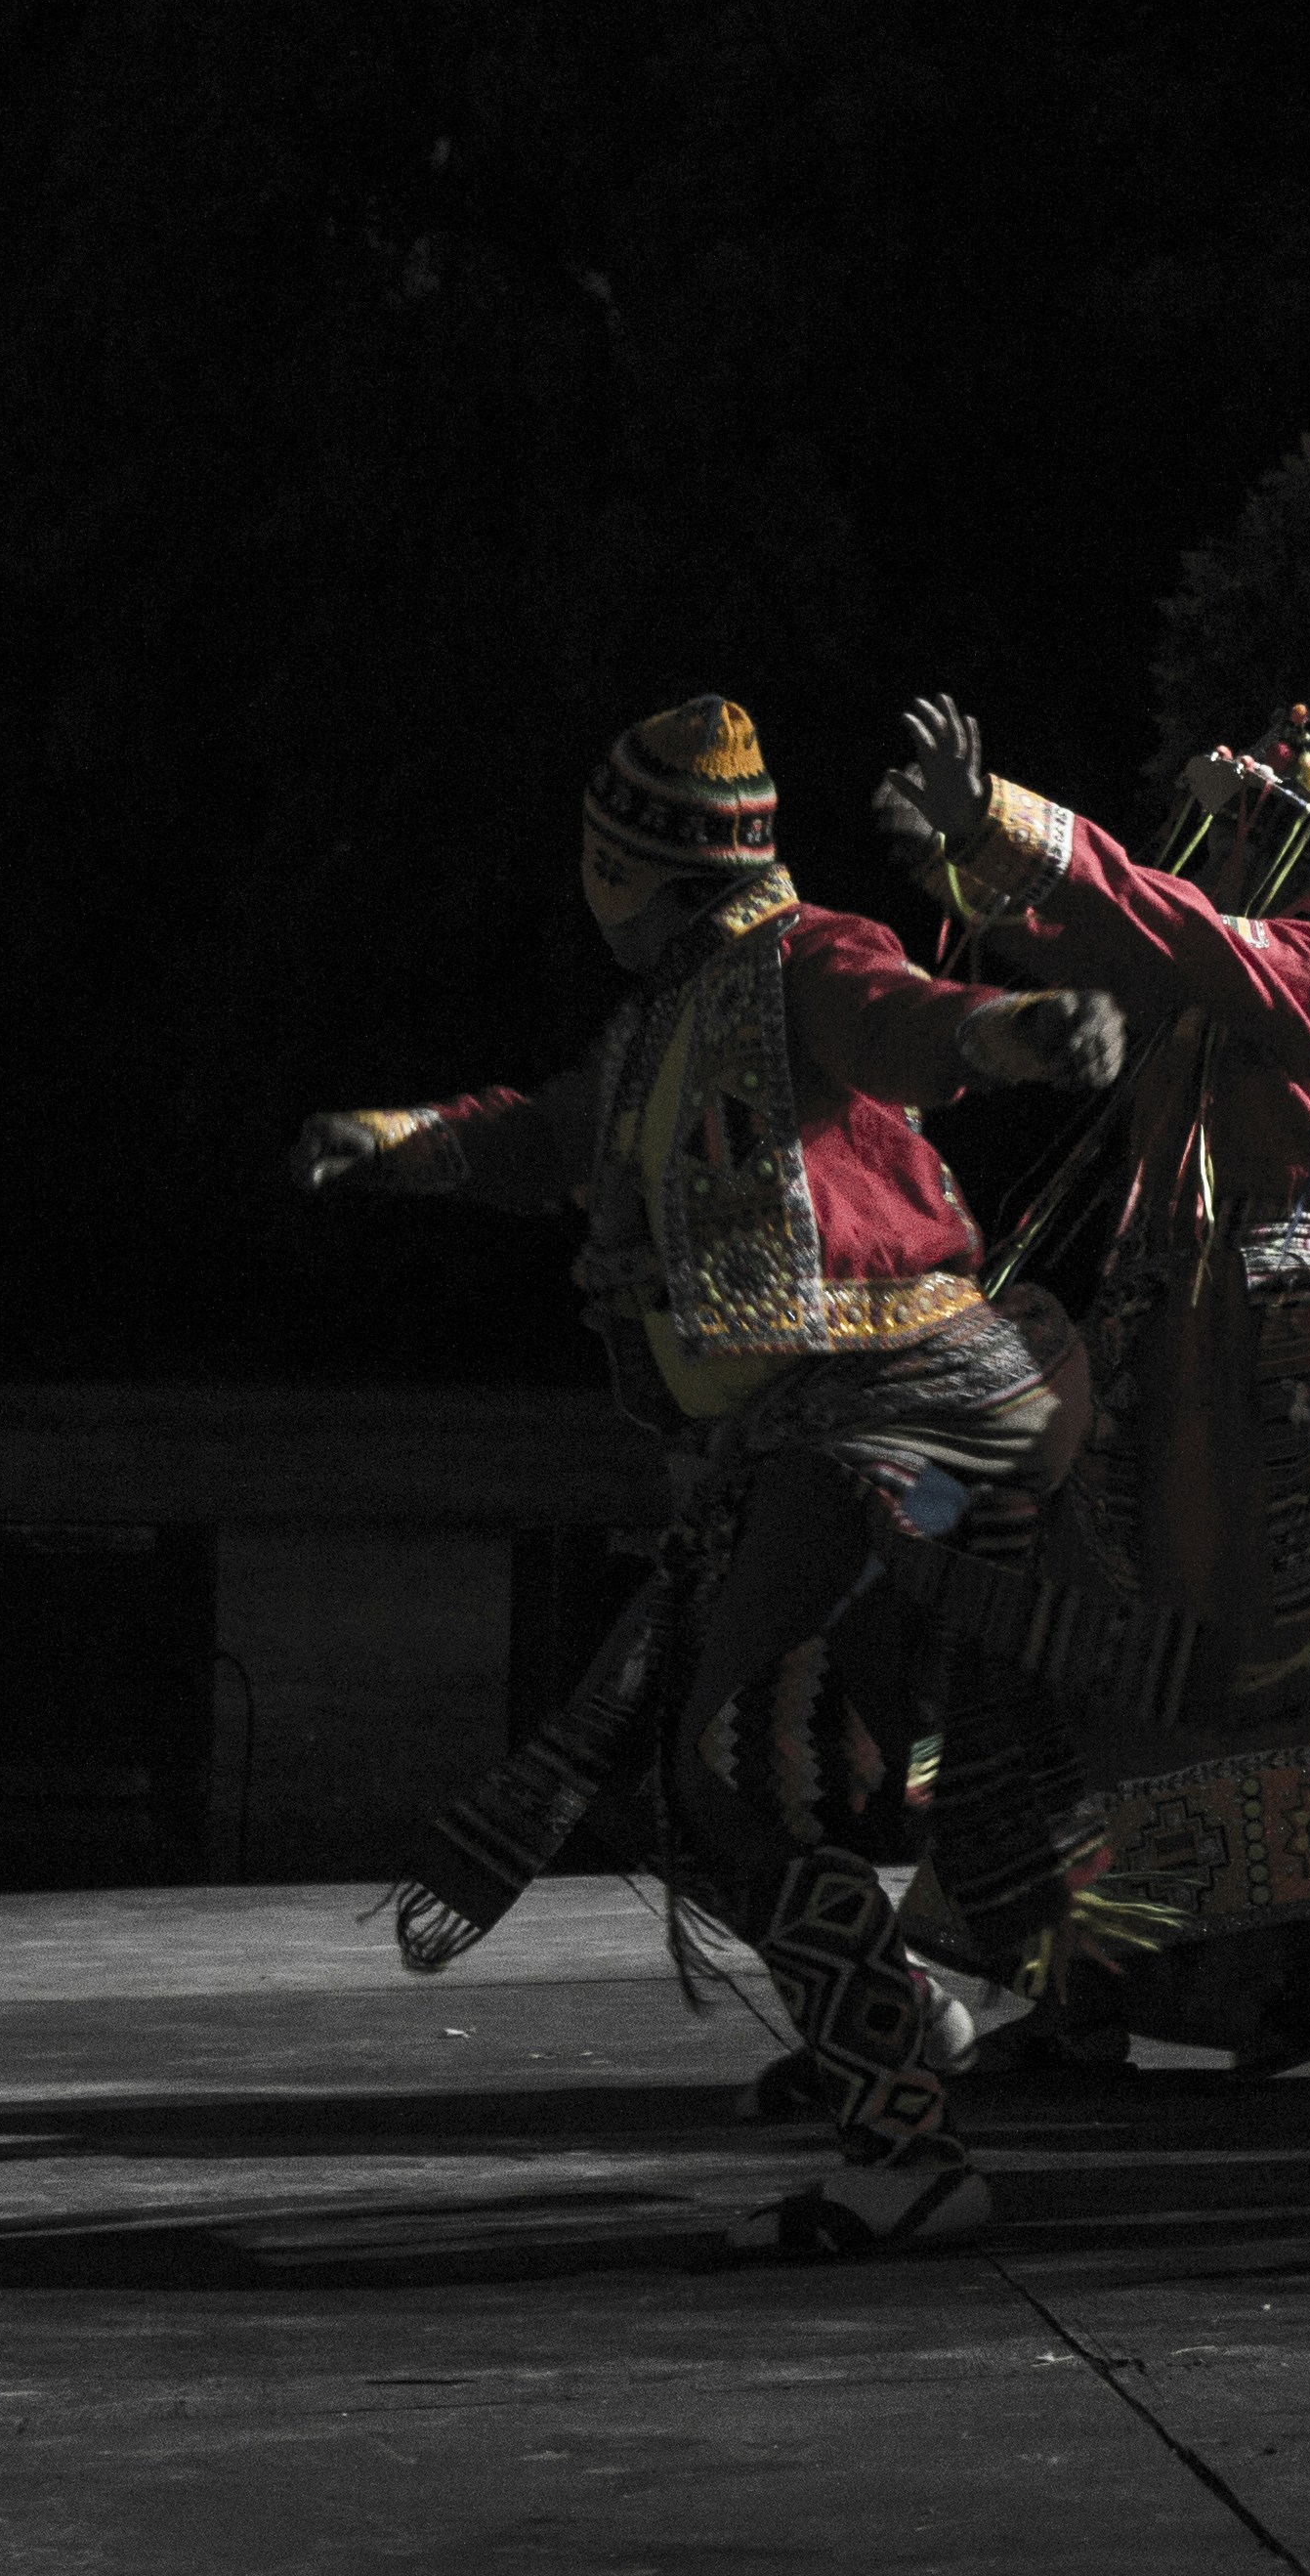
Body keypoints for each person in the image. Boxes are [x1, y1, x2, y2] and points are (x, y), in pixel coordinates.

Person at [289, 696, 1131, 2254]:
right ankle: (906, 2027)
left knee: (733, 1772)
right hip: (824, 1430)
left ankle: (909, 2154)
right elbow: (544, 1137)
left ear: (631, 867)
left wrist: (1014, 1033)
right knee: (783, 1768)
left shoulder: (797, 962)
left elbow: (910, 1020)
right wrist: (399, 1136)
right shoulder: (669, 1021)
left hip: (893, 1411)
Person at [871, 565, 1310, 2074]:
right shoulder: (1231, 974)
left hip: (1274, 1379)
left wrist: (1005, 827)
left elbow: (1150, 924)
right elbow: (1120, 938)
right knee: (1109, 1656)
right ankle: (1100, 1983)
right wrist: (968, 867)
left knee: (1248, 1681)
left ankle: (1266, 1987)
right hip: (1187, 1353)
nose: (1218, 831)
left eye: (1250, 820)